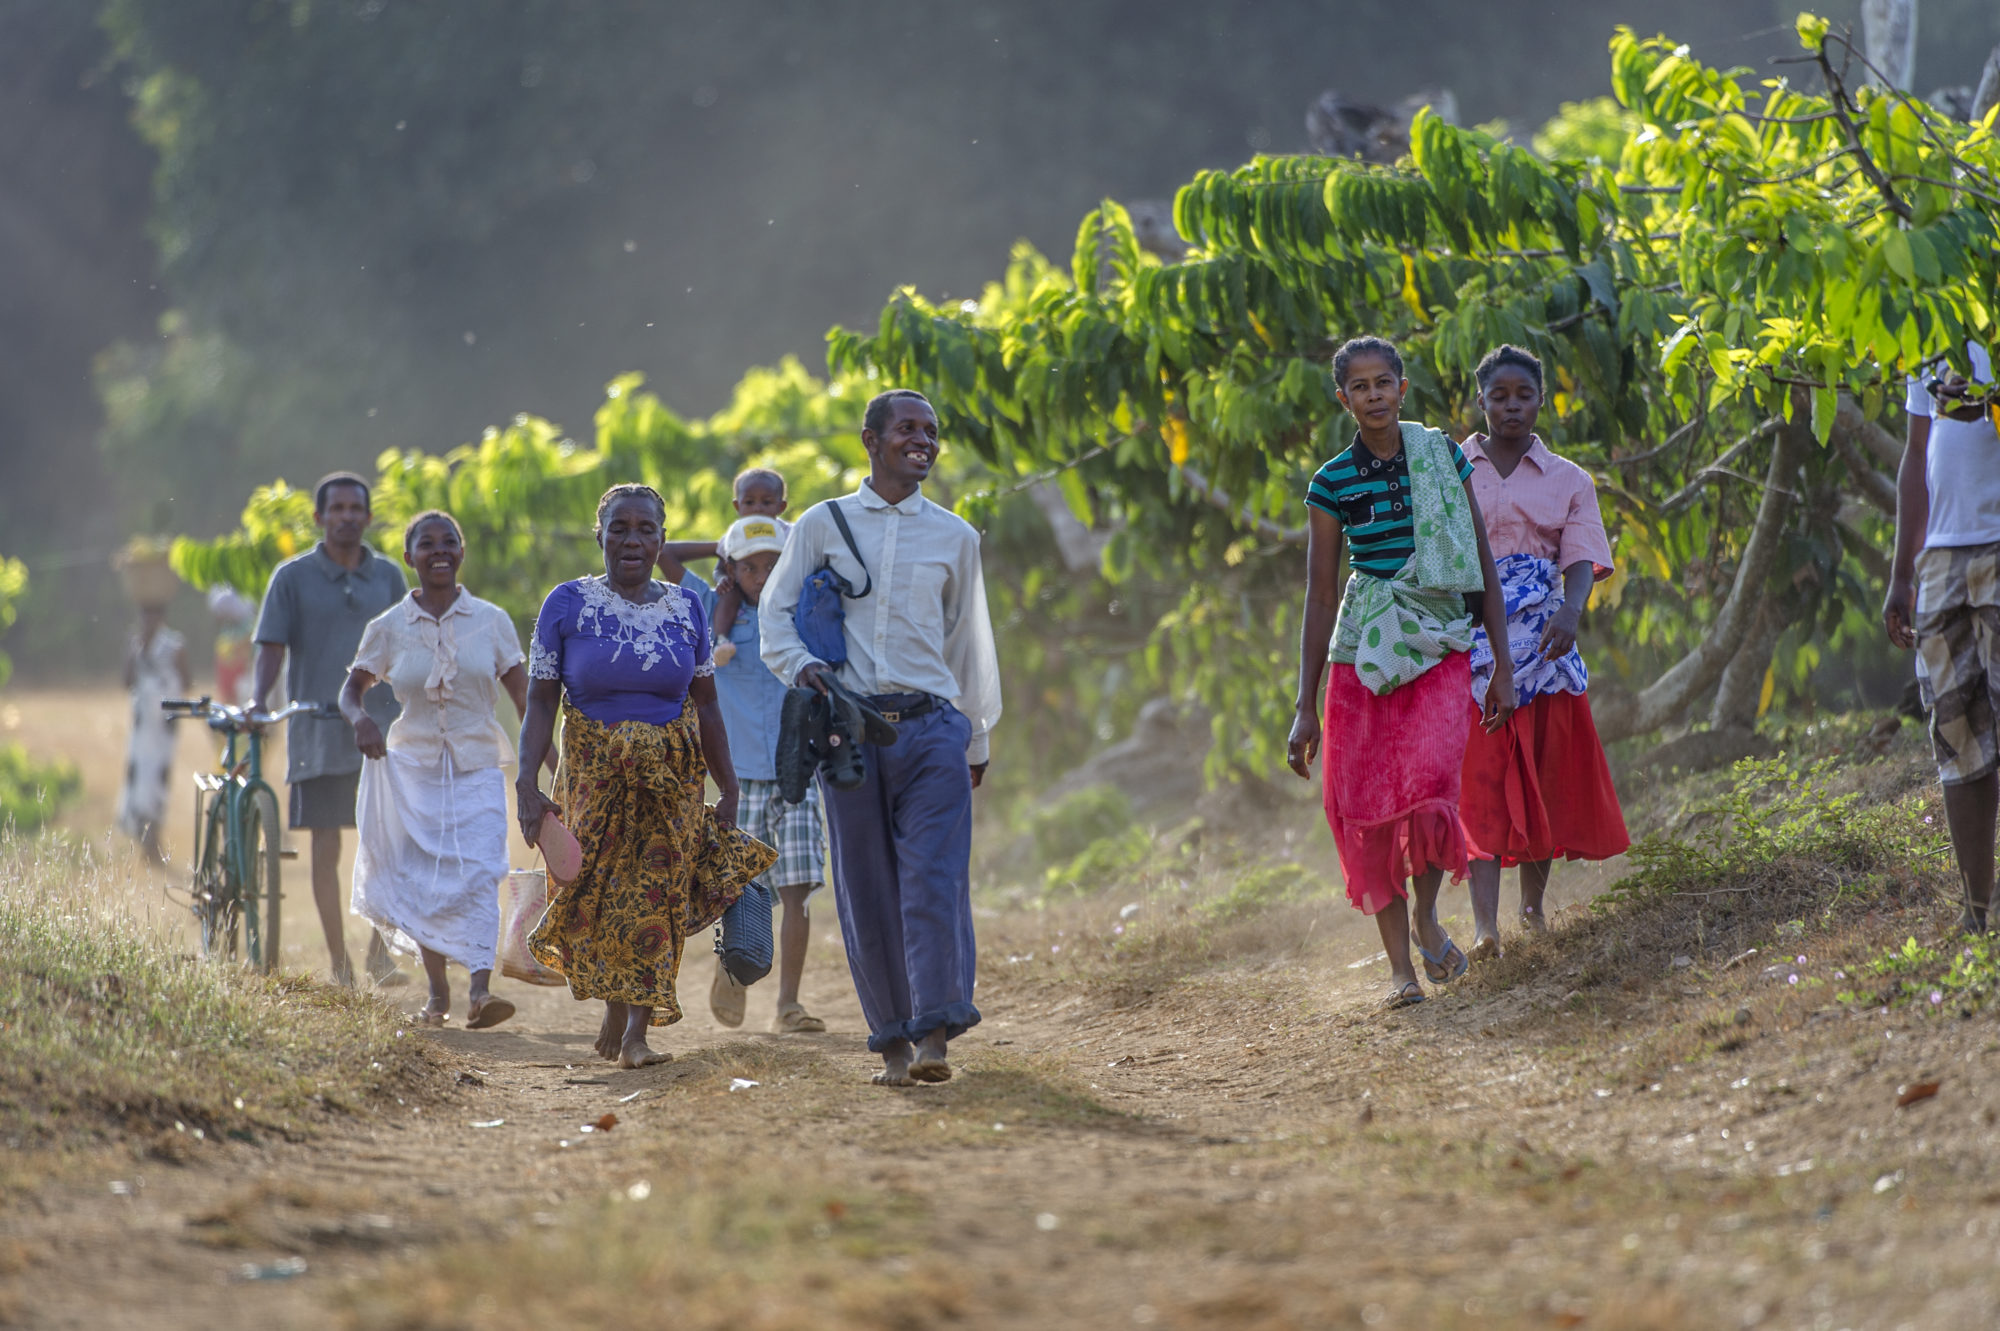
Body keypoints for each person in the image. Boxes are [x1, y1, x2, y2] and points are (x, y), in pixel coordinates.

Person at [760, 390, 1003, 1086]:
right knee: (865, 887)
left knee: (935, 878)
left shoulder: (956, 536)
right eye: (907, 428)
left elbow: (968, 646)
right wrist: (801, 667)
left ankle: (935, 1034)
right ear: (871, 438)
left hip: (932, 730)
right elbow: (776, 612)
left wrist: (975, 737)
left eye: (932, 430)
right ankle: (892, 1042)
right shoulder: (820, 524)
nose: (922, 440)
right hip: (849, 735)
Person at [1285, 336, 1515, 1010]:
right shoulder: (1331, 482)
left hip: (1441, 640)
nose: (1374, 395)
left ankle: (1424, 916)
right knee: (1367, 806)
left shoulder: (1442, 456)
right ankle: (1398, 971)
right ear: (1344, 399)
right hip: (1365, 652)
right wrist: (1306, 703)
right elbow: (1322, 593)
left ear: (1402, 388)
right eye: (1359, 387)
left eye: (1383, 382)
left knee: (1432, 784)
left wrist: (1500, 662)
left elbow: (1479, 562)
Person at [515, 483, 776, 1069]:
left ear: (662, 539)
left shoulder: (686, 608)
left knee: (657, 893)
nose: (633, 540)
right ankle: (615, 1002)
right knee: (601, 893)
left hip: (671, 777)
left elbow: (706, 704)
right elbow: (539, 703)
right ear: (600, 535)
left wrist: (728, 785)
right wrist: (526, 784)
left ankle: (637, 1031)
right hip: (592, 776)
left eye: (646, 530)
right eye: (620, 528)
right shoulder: (567, 604)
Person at [1457, 345, 1629, 959]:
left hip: (1546, 648)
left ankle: (1530, 908)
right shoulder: (1452, 470)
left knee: (1543, 774)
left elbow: (1579, 559)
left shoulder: (1570, 479)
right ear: (1479, 401)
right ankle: (1484, 928)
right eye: (1498, 396)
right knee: (1480, 779)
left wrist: (1570, 611)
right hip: (1472, 644)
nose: (1511, 406)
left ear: (1541, 399)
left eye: (1522, 395)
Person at [340, 511, 528, 1029]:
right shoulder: (389, 628)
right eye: (427, 543)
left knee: (482, 870)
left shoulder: (491, 621)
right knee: (423, 879)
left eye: (449, 542)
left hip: (478, 765)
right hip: (412, 769)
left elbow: (523, 698)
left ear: (462, 554)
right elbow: (351, 690)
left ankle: (482, 991)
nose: (439, 550)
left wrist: (543, 765)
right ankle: (439, 996)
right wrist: (360, 720)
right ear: (410, 557)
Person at [664, 509, 831, 1034]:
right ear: (731, 571)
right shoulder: (711, 606)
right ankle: (733, 974)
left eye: (774, 564)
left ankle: (789, 1003)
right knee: (739, 885)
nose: (762, 577)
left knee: (797, 889)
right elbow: (664, 557)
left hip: (796, 771)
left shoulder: (800, 613)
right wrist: (721, 546)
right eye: (750, 567)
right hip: (742, 777)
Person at [253, 472, 410, 988]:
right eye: (336, 508)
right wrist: (257, 700)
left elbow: (409, 643)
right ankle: (339, 962)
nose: (346, 516)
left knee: (389, 839)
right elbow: (271, 645)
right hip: (318, 727)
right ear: (319, 518)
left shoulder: (388, 576)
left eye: (355, 508)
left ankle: (378, 952)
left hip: (382, 730)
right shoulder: (292, 577)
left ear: (368, 517)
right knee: (326, 843)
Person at [1884, 343, 2000, 934]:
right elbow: (1915, 454)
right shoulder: (1926, 341)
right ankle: (1977, 909)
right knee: (1957, 734)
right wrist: (1903, 572)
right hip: (1940, 561)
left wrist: (1983, 401)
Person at [659, 467, 792, 646]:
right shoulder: (734, 535)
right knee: (730, 595)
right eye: (750, 502)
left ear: (781, 506)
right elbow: (721, 567)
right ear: (737, 506)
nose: (758, 508)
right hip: (738, 590)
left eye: (766, 503)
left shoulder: (790, 533)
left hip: (783, 592)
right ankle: (721, 639)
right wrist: (723, 576)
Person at [117, 603, 189, 864]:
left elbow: (186, 682)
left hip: (163, 729)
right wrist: (133, 649)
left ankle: (153, 841)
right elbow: (126, 681)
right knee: (138, 783)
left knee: (157, 783)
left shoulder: (174, 645)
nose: (147, 620)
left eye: (152, 614)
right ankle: (145, 843)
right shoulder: (136, 644)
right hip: (141, 727)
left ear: (161, 616)